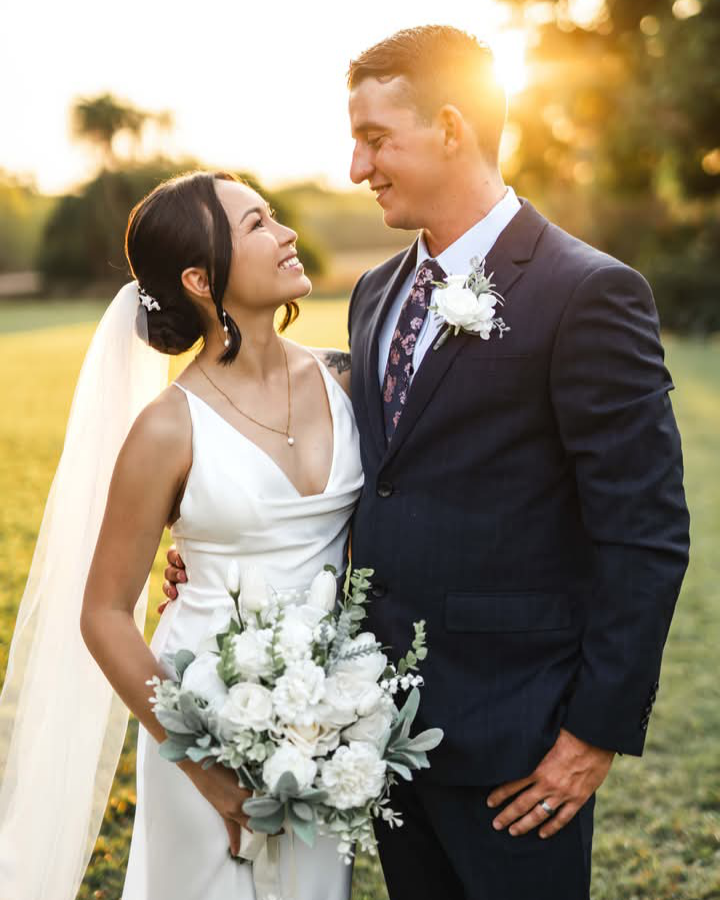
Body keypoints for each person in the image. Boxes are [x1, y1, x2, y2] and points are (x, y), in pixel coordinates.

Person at [162, 24, 692, 900]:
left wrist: (592, 735)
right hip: (381, 734)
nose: (356, 167)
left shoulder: (587, 291)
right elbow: (363, 468)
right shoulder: (375, 294)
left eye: (375, 139)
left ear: (451, 127)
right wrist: (231, 558)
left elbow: (646, 531)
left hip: (521, 744)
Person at [0, 170, 363, 900]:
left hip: (329, 720)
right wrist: (207, 768)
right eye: (258, 225)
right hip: (206, 719)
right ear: (200, 278)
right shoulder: (168, 426)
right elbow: (103, 613)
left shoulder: (345, 380)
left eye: (275, 216)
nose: (288, 233)